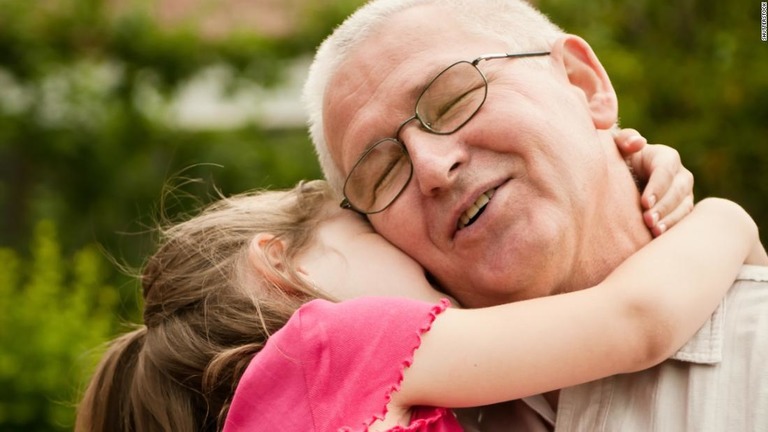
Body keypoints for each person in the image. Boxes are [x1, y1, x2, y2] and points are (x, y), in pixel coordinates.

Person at [302, 0, 768, 430]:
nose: (431, 168)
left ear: (583, 84)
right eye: (382, 174)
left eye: (450, 101)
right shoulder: (361, 402)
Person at [75, 176, 762, 431]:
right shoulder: (331, 345)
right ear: (277, 263)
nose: (412, 248)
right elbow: (634, 320)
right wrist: (726, 218)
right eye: (368, 228)